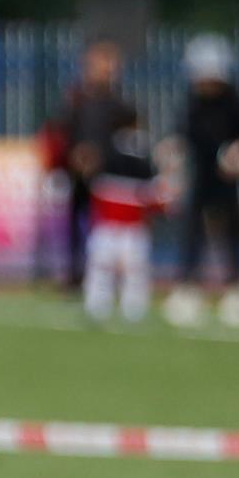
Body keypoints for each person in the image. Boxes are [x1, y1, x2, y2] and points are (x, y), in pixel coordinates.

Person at [167, 35, 239, 327]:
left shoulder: (237, 103)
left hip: (231, 180)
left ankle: (238, 287)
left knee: (233, 231)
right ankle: (188, 286)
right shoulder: (192, 104)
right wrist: (173, 156)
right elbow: (182, 137)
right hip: (201, 174)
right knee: (193, 229)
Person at [43, 37, 127, 291]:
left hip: (110, 173)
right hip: (78, 171)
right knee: (77, 225)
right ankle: (76, 273)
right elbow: (61, 132)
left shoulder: (119, 104)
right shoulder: (76, 100)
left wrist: (103, 157)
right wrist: (75, 157)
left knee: (111, 227)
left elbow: (126, 139)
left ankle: (109, 275)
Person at [79, 110, 162, 323]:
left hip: (108, 225)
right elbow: (154, 193)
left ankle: (98, 307)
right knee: (134, 272)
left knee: (101, 269)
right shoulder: (144, 153)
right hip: (132, 226)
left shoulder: (104, 151)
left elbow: (92, 184)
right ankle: (133, 310)